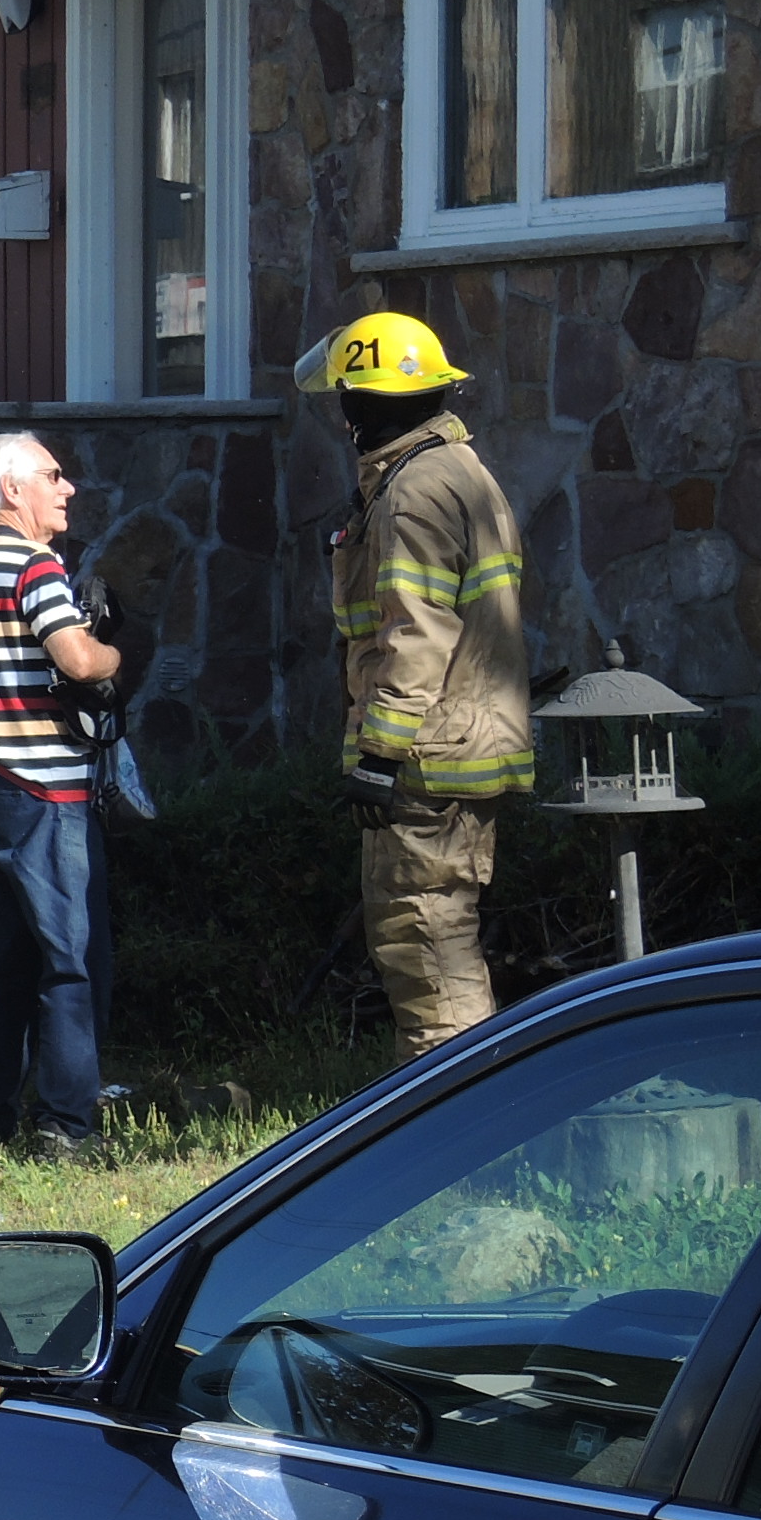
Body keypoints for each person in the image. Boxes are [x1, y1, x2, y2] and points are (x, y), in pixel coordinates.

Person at [302, 310, 530, 1060]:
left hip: (425, 759)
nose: (342, 418)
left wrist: (380, 753)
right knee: (442, 937)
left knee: (424, 943)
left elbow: (416, 632)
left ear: (364, 406)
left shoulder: (412, 493)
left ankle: (449, 1131)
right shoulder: (462, 473)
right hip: (464, 743)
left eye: (347, 400)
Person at [0, 432, 123, 1155]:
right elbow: (78, 659)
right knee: (68, 960)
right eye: (53, 475)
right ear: (11, 490)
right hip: (41, 789)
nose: (67, 488)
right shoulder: (35, 565)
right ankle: (67, 1125)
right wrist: (112, 653)